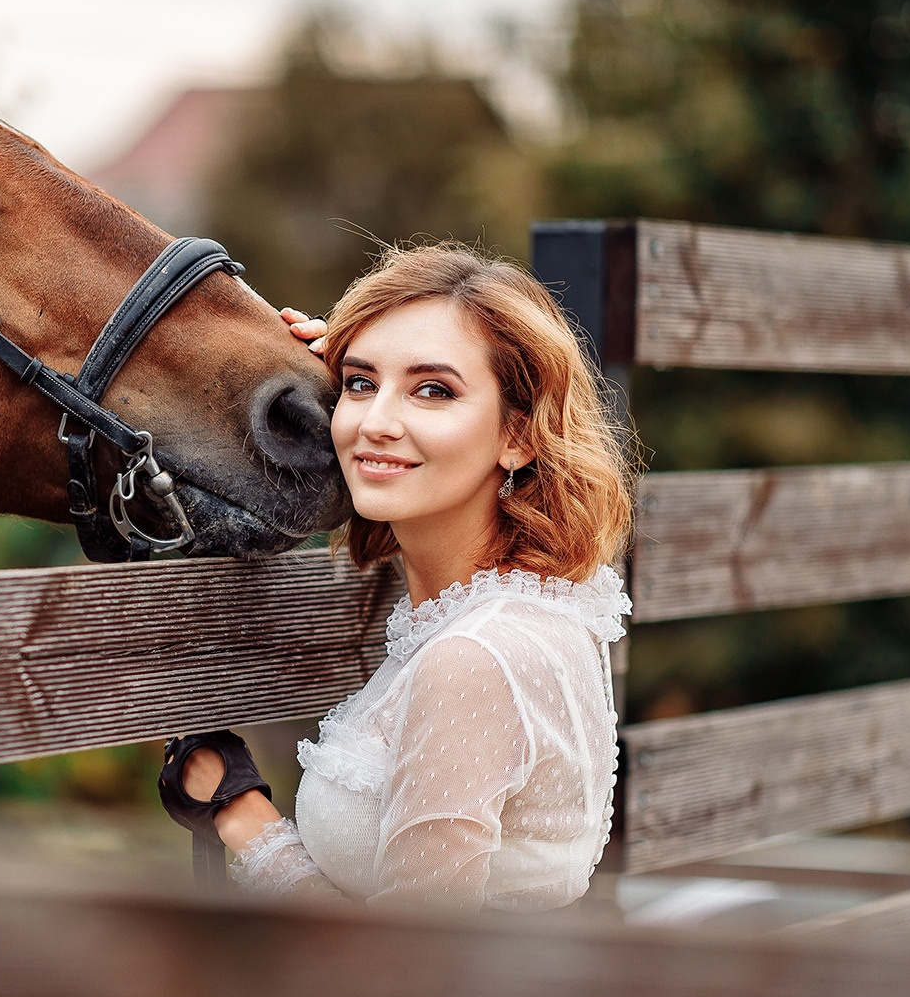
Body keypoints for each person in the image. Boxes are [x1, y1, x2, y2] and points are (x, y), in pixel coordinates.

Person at [159, 243, 635, 911]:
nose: (375, 423)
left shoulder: (471, 660)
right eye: (358, 383)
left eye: (433, 390)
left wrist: (244, 819)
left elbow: (405, 976)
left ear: (519, 437)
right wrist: (300, 376)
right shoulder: (538, 603)